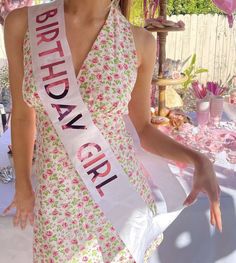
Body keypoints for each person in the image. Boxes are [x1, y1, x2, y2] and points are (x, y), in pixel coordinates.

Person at [3, 0, 222, 262]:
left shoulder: (140, 42)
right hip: (57, 199)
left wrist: (199, 159)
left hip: (116, 195)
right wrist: (24, 185)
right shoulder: (24, 24)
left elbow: (142, 128)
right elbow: (23, 115)